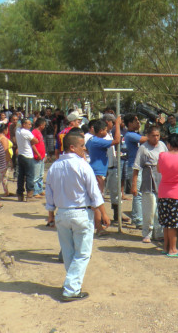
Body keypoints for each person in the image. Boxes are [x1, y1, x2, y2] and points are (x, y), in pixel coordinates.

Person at [45, 132, 111, 302]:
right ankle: (71, 289)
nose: (84, 149)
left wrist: (51, 215)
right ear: (72, 147)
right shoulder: (82, 166)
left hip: (62, 214)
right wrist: (103, 213)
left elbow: (49, 193)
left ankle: (71, 283)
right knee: (82, 254)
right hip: (81, 213)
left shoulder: (54, 167)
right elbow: (94, 192)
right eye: (82, 146)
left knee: (68, 252)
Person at [132, 125, 167, 243]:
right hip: (148, 178)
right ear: (148, 136)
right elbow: (136, 167)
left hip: (161, 178)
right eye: (153, 136)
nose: (156, 138)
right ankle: (147, 233)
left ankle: (159, 233)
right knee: (149, 208)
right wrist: (134, 184)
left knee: (160, 208)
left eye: (157, 135)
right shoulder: (143, 148)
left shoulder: (162, 145)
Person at [86, 118, 121, 231]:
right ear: (101, 130)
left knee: (97, 199)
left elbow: (86, 149)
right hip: (98, 173)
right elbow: (117, 140)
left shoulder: (91, 140)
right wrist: (117, 125)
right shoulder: (97, 141)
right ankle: (99, 227)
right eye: (105, 130)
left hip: (96, 170)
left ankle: (97, 225)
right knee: (97, 200)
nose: (106, 132)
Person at [101, 114, 130, 223]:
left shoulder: (108, 133)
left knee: (116, 192)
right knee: (101, 194)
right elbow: (117, 140)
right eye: (112, 123)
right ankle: (101, 217)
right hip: (105, 168)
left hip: (113, 166)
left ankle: (118, 215)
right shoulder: (102, 134)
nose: (113, 125)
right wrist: (117, 125)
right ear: (108, 122)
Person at [124, 114, 148, 229]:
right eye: (136, 121)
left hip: (139, 166)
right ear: (130, 123)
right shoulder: (130, 135)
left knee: (139, 194)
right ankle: (138, 221)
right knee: (137, 194)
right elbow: (146, 139)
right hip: (134, 167)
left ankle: (136, 217)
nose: (138, 123)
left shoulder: (135, 134)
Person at [15, 118, 39, 201]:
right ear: (24, 125)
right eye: (29, 124)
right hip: (28, 156)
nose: (30, 126)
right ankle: (29, 195)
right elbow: (36, 140)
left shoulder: (18, 130)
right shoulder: (26, 132)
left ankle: (20, 194)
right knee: (30, 175)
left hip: (21, 154)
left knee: (21, 176)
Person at [31, 118, 47, 199]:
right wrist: (37, 153)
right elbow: (32, 144)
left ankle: (40, 189)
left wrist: (44, 154)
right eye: (44, 125)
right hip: (37, 157)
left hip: (41, 156)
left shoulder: (39, 132)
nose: (44, 126)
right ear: (41, 125)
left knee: (41, 174)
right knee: (36, 175)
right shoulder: (34, 132)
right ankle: (35, 191)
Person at [0, 124, 13, 196]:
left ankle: (6, 191)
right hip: (3, 160)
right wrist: (9, 160)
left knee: (3, 176)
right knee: (2, 176)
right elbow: (6, 150)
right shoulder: (3, 139)